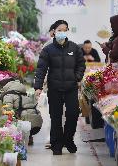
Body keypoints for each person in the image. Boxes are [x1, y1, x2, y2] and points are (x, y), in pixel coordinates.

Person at [34, 20, 86, 155]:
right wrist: (38, 87)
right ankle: (56, 144)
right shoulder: (48, 49)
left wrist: (77, 77)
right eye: (59, 30)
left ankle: (68, 140)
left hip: (71, 88)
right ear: (54, 31)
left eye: (64, 30)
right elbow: (41, 69)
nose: (62, 32)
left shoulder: (74, 48)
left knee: (73, 115)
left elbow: (81, 64)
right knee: (55, 117)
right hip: (54, 88)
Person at [0, 78, 43, 146]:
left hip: (26, 123)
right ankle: (29, 137)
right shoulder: (24, 93)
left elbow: (7, 111)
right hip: (37, 123)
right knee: (23, 112)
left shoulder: (8, 95)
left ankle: (18, 138)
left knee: (7, 117)